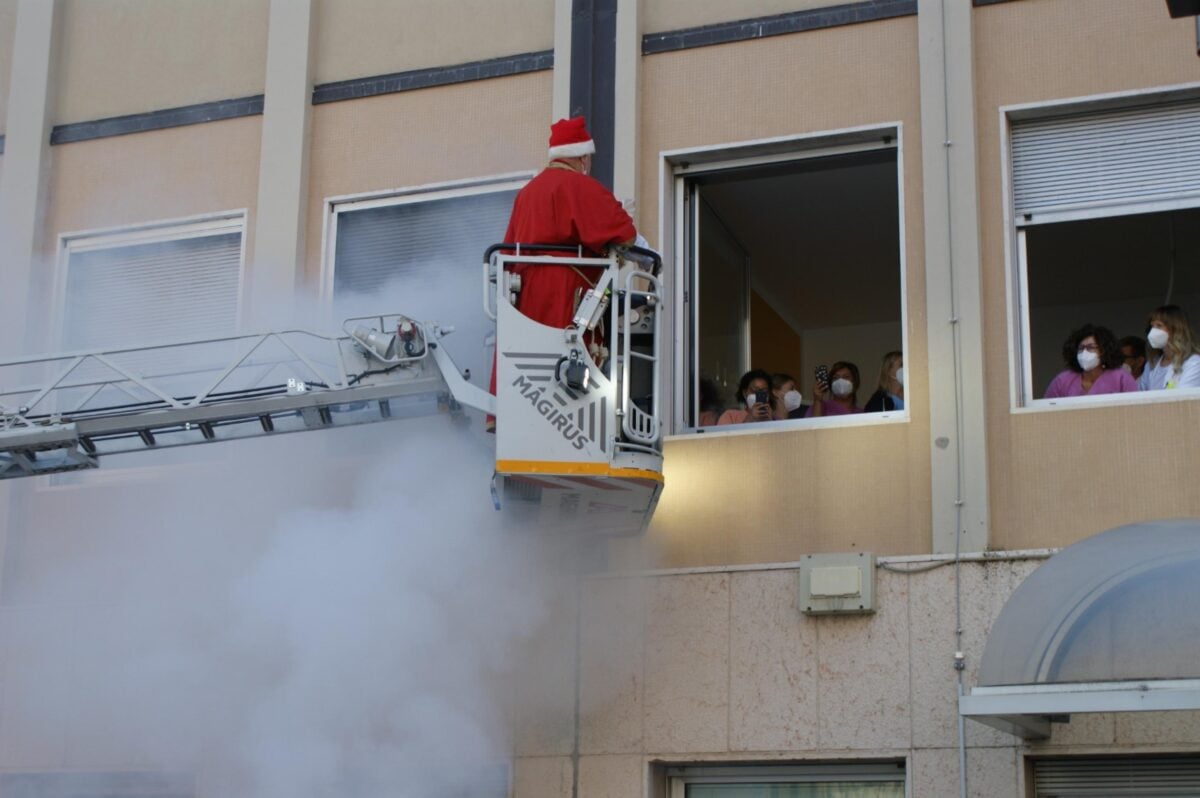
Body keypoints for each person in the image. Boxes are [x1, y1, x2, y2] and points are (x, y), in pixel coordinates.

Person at [487, 116, 638, 430]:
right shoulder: (579, 186)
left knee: (530, 365)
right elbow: (623, 235)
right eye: (589, 159)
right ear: (582, 157)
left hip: (524, 296)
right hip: (563, 293)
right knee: (566, 365)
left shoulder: (526, 193)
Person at [1043, 324, 1136, 398]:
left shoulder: (1121, 378)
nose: (1084, 352)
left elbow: (1135, 408)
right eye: (1081, 348)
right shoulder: (1062, 380)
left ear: (1103, 350)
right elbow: (1046, 410)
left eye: (1090, 347)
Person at [1137, 305, 1200, 391]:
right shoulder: (1152, 364)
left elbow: (1183, 399)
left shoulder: (1194, 362)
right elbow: (1137, 392)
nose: (1153, 331)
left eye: (1159, 325)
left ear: (1176, 330)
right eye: (1152, 326)